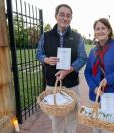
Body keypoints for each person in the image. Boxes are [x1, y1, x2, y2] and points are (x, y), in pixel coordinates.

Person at [36, 4, 87, 133]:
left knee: (72, 117)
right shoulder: (46, 36)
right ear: (56, 16)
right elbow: (39, 54)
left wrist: (68, 70)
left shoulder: (77, 37)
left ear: (71, 18)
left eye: (68, 15)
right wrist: (46, 59)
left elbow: (83, 58)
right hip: (53, 84)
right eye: (62, 14)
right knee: (56, 118)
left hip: (71, 85)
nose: (65, 18)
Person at [84, 18, 114, 133]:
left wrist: (108, 79)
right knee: (96, 129)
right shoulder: (93, 51)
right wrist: (94, 88)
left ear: (109, 30)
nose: (100, 31)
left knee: (108, 130)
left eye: (103, 28)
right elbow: (87, 72)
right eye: (97, 29)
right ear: (94, 32)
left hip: (111, 97)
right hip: (95, 97)